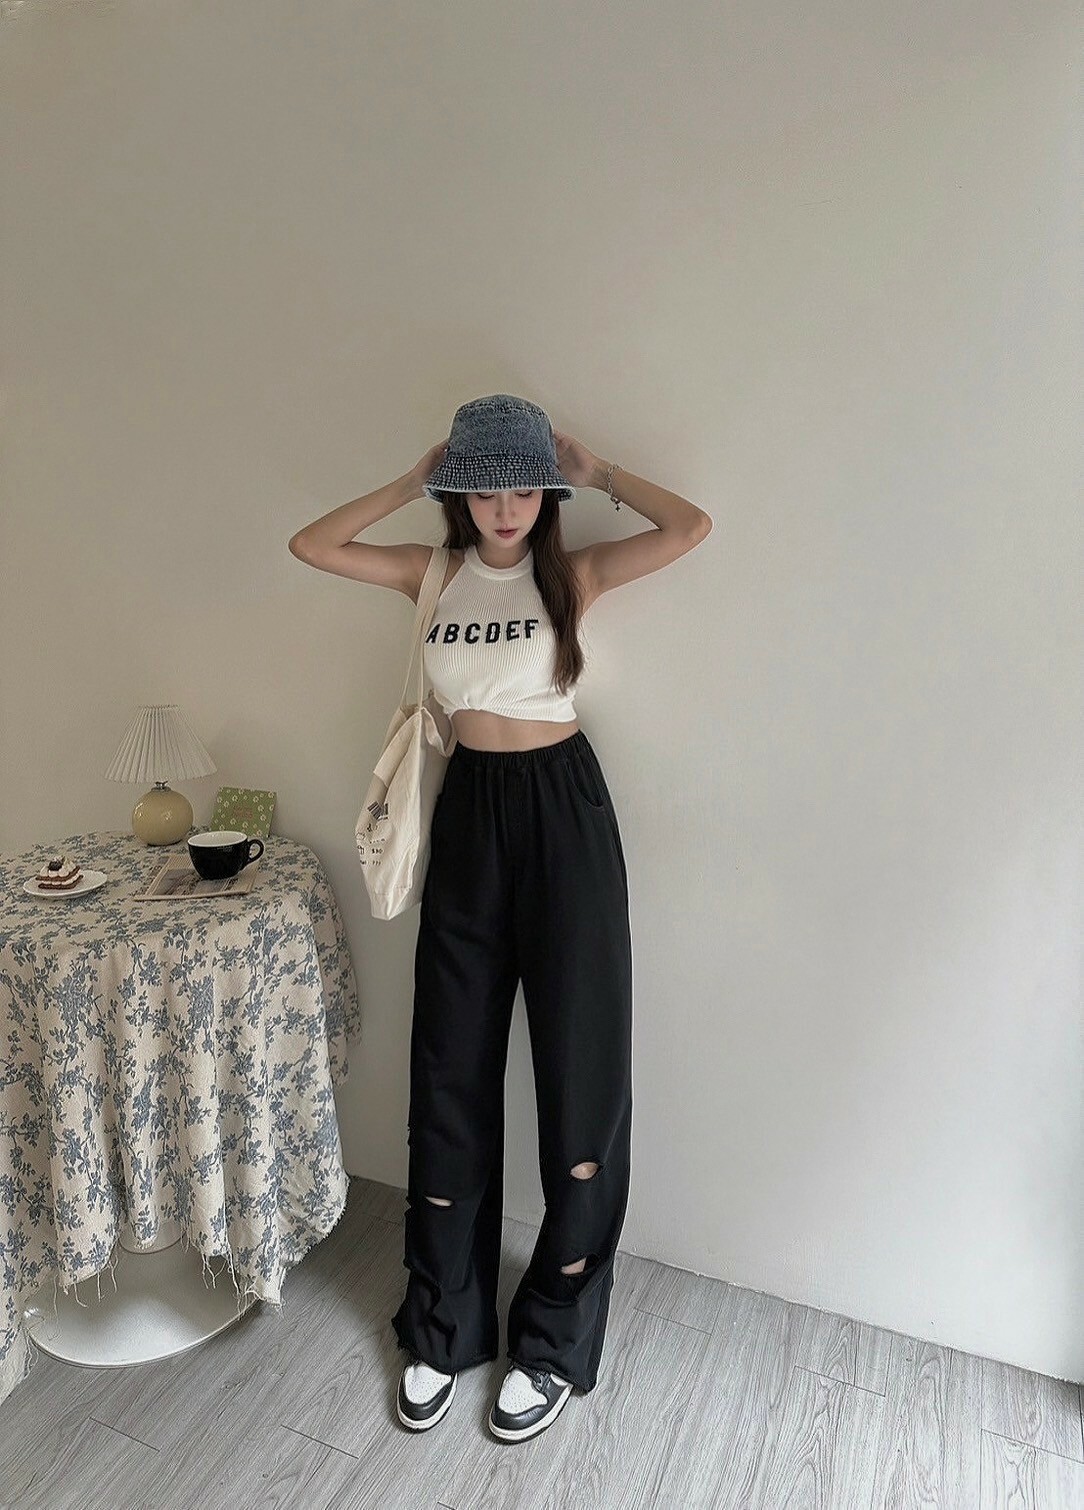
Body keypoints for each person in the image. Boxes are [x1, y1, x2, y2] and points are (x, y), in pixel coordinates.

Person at [288, 393, 712, 1443]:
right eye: (485, 488)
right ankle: (443, 1324)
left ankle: (554, 1338)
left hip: (565, 815)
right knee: (451, 1071)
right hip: (471, 812)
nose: (506, 507)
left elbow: (689, 526)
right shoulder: (430, 574)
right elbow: (312, 544)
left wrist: (599, 470)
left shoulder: (571, 575)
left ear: (545, 494)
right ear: (461, 495)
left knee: (581, 1076)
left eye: (524, 487)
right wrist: (411, 479)